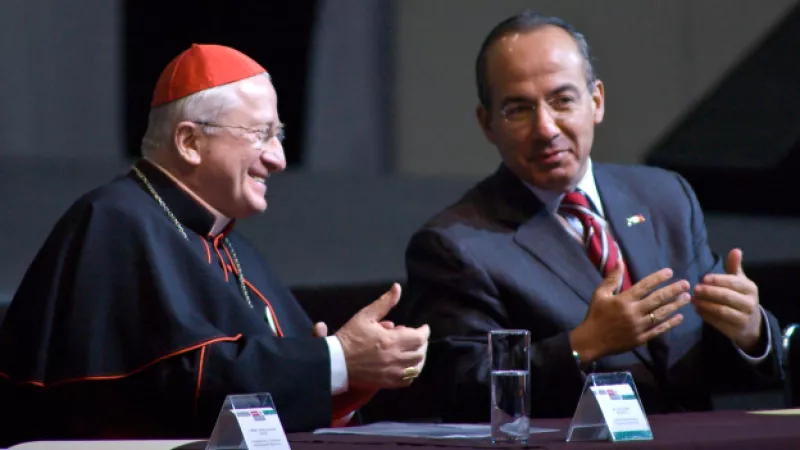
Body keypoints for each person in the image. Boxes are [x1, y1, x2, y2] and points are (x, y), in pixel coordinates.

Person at [0, 44, 429, 445]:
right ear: (190, 142)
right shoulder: (116, 221)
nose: (278, 158)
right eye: (261, 134)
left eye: (278, 135)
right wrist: (336, 359)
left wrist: (348, 376)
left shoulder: (230, 246)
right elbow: (174, 386)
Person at [367, 12, 783, 423]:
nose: (546, 128)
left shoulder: (664, 197)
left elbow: (703, 361)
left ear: (596, 101)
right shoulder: (455, 244)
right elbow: (461, 391)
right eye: (518, 109)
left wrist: (747, 331)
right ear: (487, 124)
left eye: (562, 100)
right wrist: (582, 345)